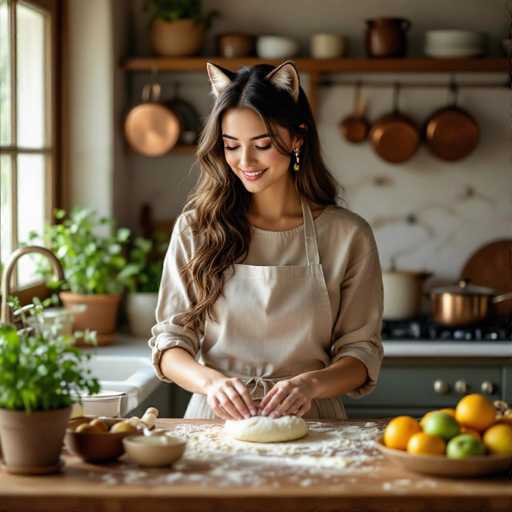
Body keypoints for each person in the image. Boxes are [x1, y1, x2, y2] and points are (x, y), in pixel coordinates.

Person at [148, 60, 383, 421]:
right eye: (231, 146)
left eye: (262, 144)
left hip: (313, 422)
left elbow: (361, 353)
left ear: (297, 137)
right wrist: (212, 383)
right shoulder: (196, 228)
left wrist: (311, 385)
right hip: (216, 421)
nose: (245, 161)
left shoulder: (347, 235)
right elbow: (169, 344)